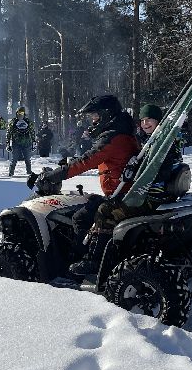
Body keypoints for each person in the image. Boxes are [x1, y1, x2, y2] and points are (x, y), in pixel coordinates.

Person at [30, 95, 139, 276]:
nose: (93, 121)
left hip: (120, 194)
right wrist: (70, 161)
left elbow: (87, 161)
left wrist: (56, 175)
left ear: (106, 115)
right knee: (87, 202)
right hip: (122, 191)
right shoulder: (123, 132)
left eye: (95, 116)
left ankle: (91, 261)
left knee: (81, 217)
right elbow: (104, 159)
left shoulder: (113, 137)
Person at [7, 107, 35, 177]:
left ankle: (29, 172)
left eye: (22, 113)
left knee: (27, 159)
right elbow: (8, 133)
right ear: (16, 113)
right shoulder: (13, 122)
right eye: (19, 113)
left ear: (24, 113)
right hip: (16, 143)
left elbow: (32, 132)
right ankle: (11, 172)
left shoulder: (28, 121)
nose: (20, 115)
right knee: (14, 159)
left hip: (26, 143)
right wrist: (8, 143)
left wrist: (34, 141)